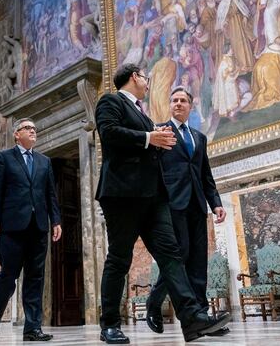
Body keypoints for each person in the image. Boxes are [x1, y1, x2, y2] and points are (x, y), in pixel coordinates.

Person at [94, 63, 231, 344]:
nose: (148, 83)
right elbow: (108, 134)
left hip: (154, 198)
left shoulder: (144, 115)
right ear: (135, 77)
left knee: (171, 257)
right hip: (122, 195)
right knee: (120, 258)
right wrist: (149, 138)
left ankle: (192, 319)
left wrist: (155, 142)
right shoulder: (112, 101)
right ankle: (109, 324)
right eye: (146, 78)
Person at [145, 87, 229, 336]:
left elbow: (205, 174)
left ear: (190, 107)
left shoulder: (198, 137)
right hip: (172, 204)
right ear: (169, 105)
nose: (178, 104)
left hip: (197, 204)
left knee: (197, 261)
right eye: (174, 100)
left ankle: (201, 318)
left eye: (183, 101)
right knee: (178, 256)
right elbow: (152, 169)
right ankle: (154, 302)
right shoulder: (160, 132)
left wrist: (215, 203)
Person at [0, 118, 62, 342]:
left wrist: (55, 220)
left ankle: (32, 328)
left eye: (35, 129)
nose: (33, 131)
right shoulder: (4, 157)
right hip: (12, 228)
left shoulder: (44, 161)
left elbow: (50, 194)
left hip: (38, 227)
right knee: (8, 277)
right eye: (28, 128)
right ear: (16, 134)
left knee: (35, 278)